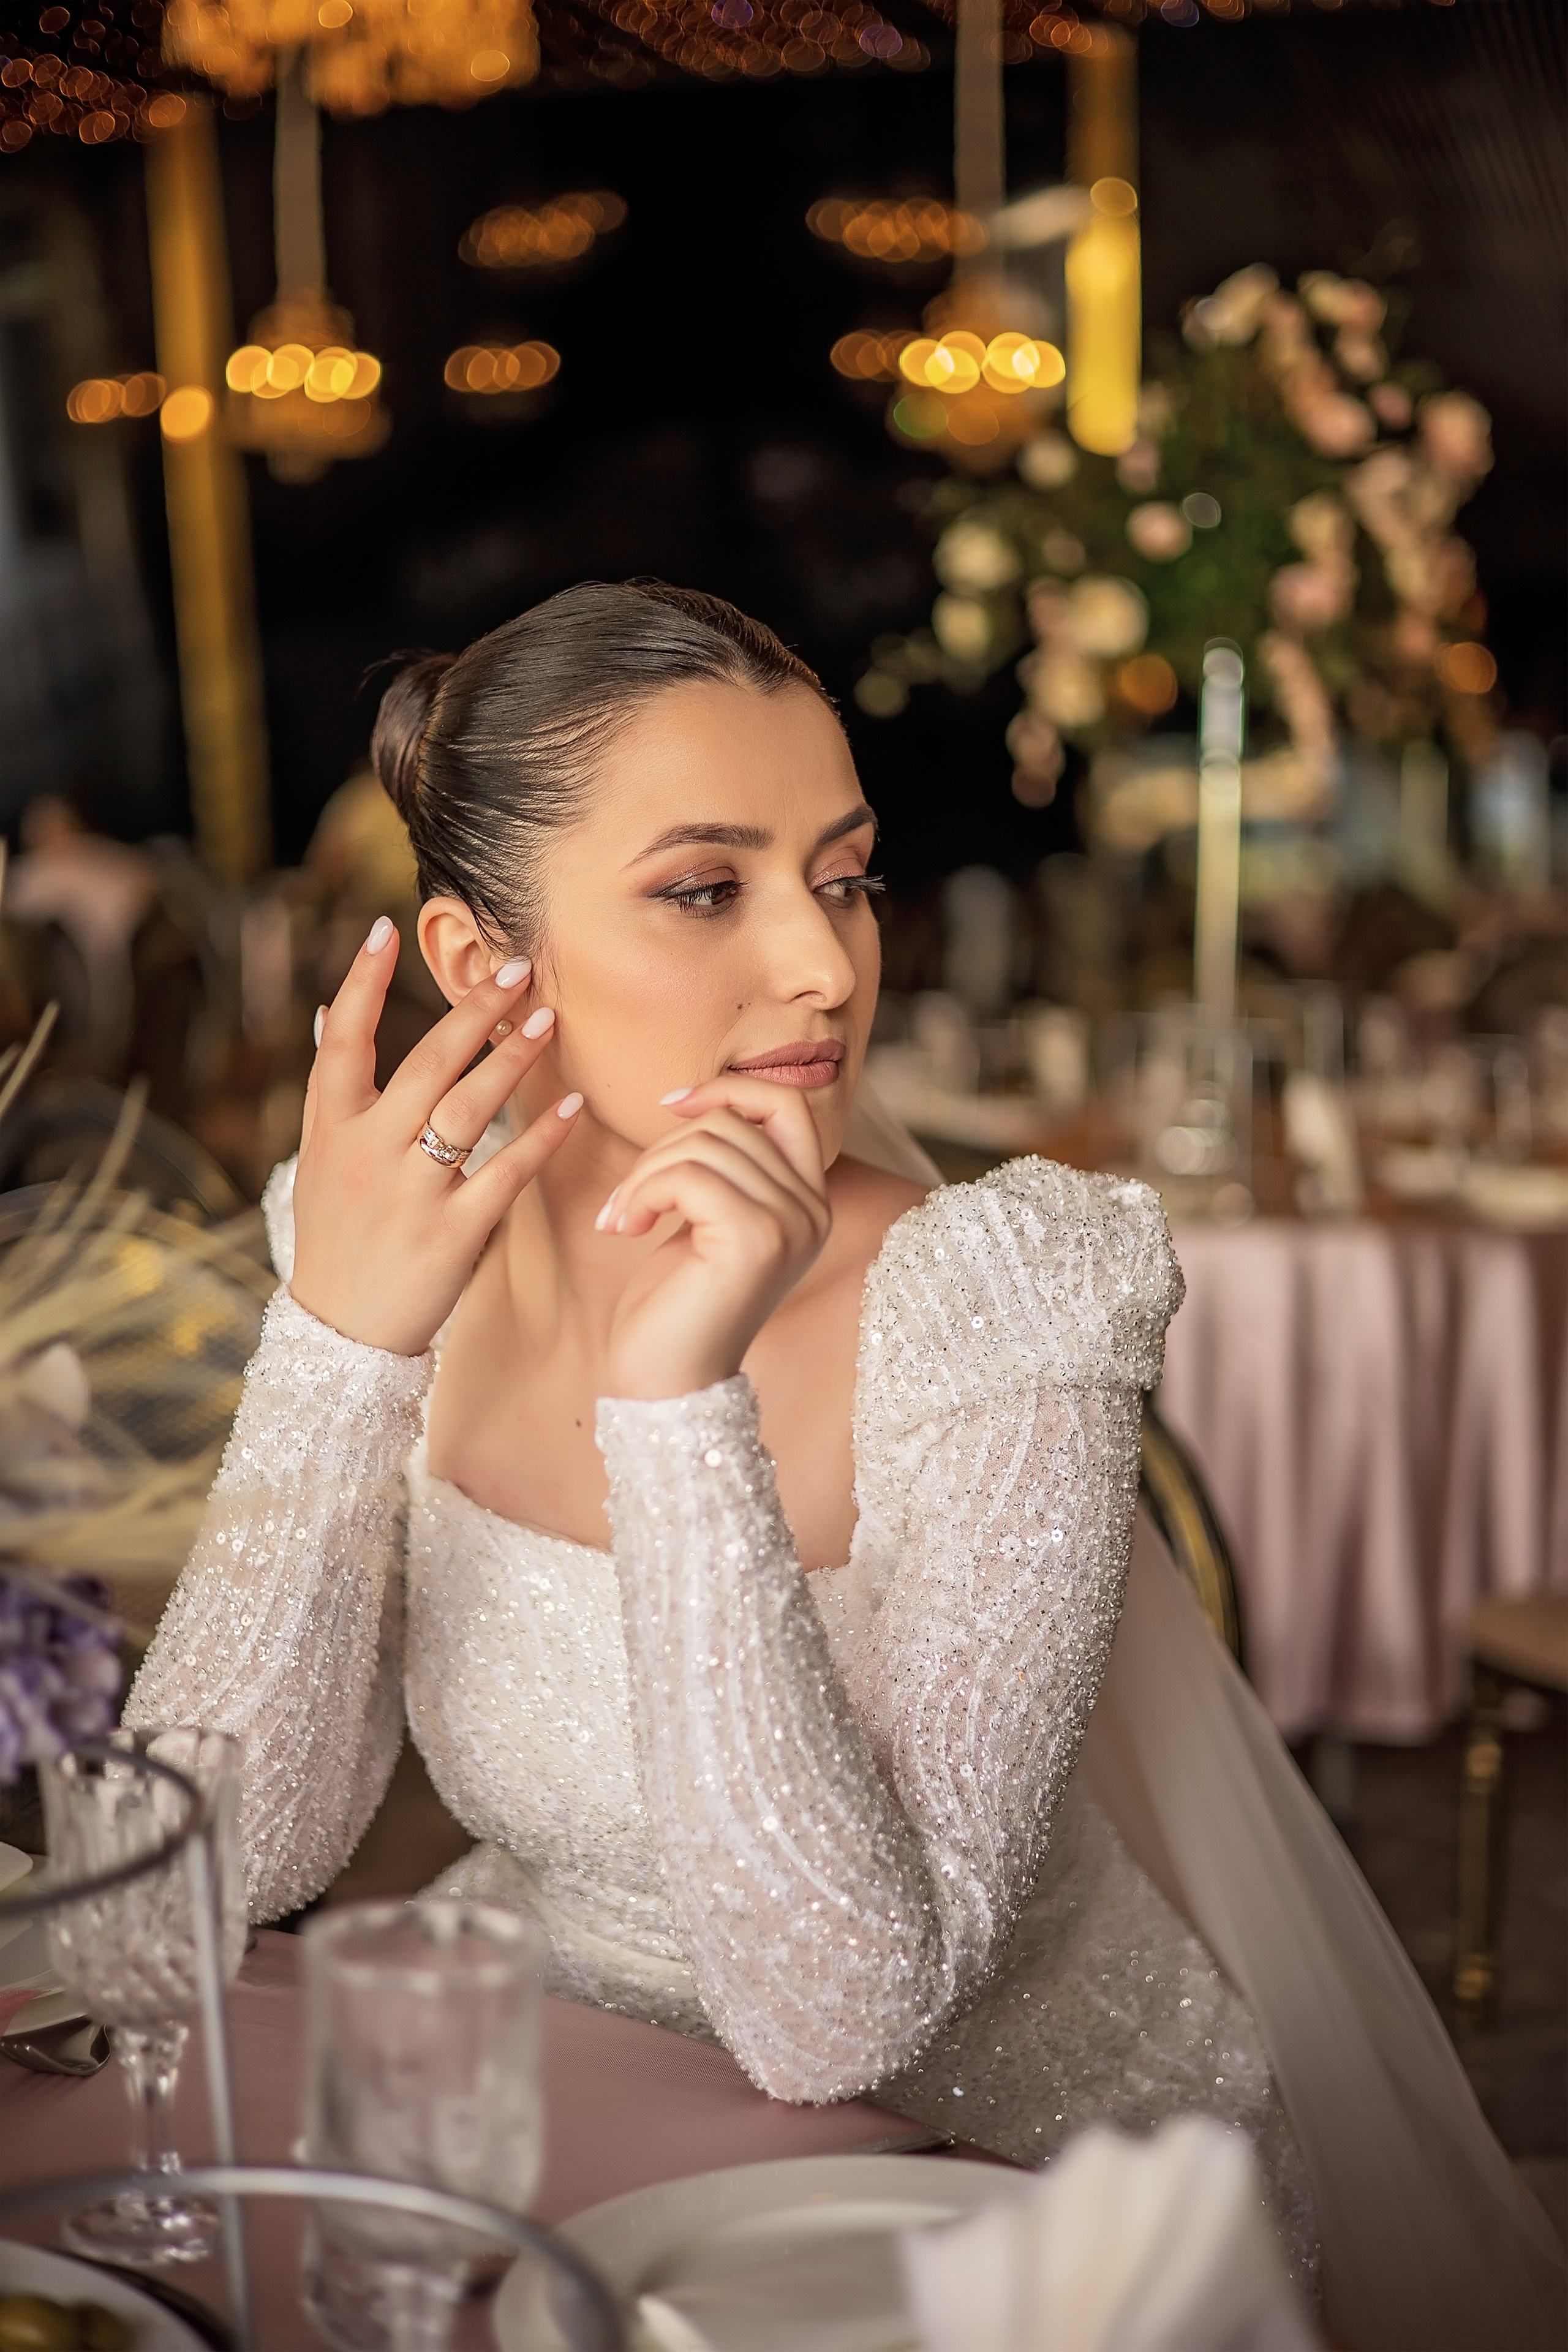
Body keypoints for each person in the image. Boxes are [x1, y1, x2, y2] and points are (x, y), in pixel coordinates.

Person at [129, 582, 1562, 2351]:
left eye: (846, 876)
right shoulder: (378, 1244)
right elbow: (200, 1875)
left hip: (999, 2207)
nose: (825, 965)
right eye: (704, 889)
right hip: (562, 2095)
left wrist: (678, 1407)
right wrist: (341, 1349)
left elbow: (840, 2021)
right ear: (479, 959)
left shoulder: (1002, 1296)